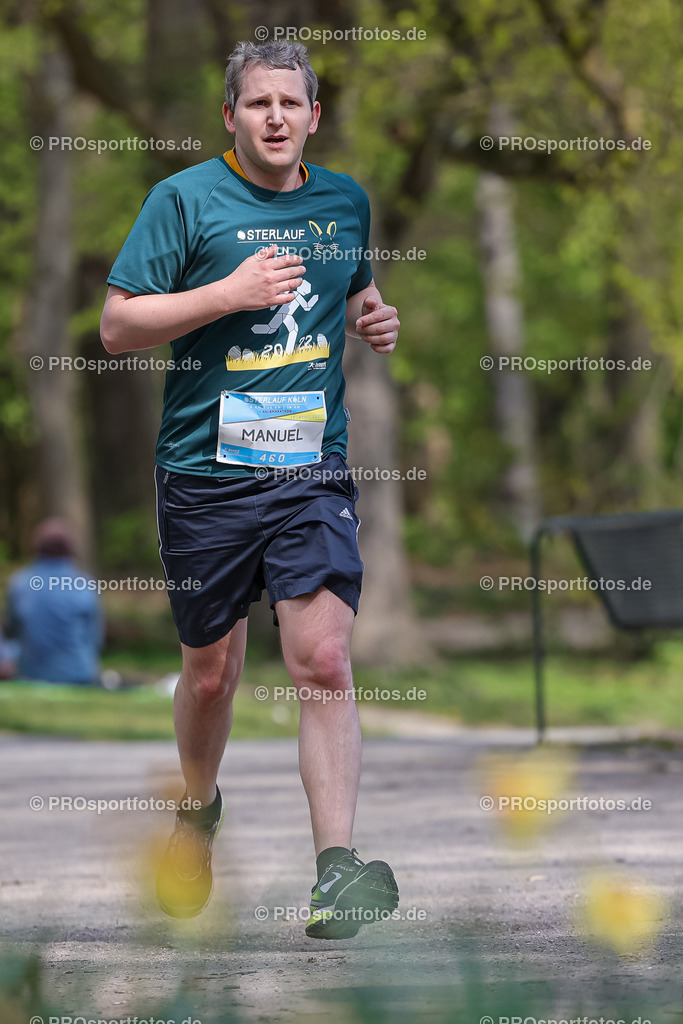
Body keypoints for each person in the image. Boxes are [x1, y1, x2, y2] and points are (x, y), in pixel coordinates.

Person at [100, 40, 400, 940]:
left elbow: (353, 292)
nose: (275, 117)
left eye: (290, 103)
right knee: (210, 674)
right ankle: (196, 813)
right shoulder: (183, 200)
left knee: (324, 660)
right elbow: (117, 326)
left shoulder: (343, 202)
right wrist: (226, 293)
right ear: (230, 115)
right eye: (258, 103)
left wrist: (371, 317)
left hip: (309, 469)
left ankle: (335, 872)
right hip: (204, 476)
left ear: (314, 116)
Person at [5, 519, 103, 685]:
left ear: (37, 548)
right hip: (79, 674)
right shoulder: (85, 584)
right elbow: (96, 639)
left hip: (31, 674)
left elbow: (11, 631)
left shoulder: (20, 583)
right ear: (70, 549)